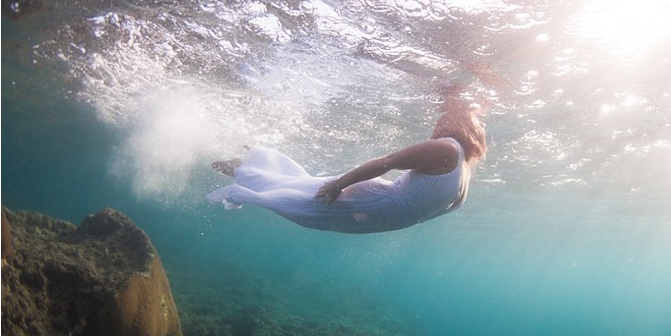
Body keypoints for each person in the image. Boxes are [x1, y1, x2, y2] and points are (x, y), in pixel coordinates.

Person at [205, 89, 487, 233]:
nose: (438, 121)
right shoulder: (465, 172)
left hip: (376, 204)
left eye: (444, 116)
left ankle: (241, 166)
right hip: (384, 217)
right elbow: (436, 210)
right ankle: (239, 166)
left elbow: (386, 162)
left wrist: (339, 184)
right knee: (298, 203)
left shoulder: (446, 150)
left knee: (299, 201)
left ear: (454, 123)